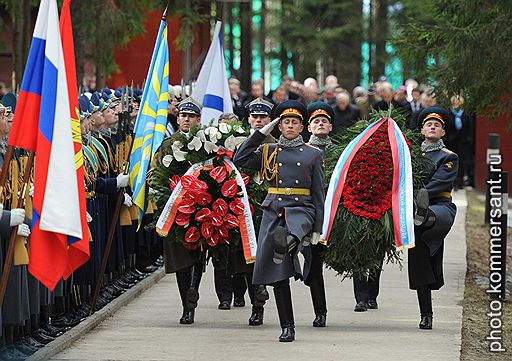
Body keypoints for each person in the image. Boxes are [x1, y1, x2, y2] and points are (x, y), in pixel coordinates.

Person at [233, 100, 325, 342]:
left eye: (295, 122)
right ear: (279, 125)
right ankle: (288, 327)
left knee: (292, 233)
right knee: (278, 272)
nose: (290, 126)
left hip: (300, 209)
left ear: (302, 126)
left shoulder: (313, 154)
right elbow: (239, 158)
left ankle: (291, 242)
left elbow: (318, 195)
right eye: (285, 122)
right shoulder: (268, 151)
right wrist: (260, 133)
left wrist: (318, 228)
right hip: (274, 210)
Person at [149, 97, 206, 325]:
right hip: (175, 209)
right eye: (183, 115)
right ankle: (187, 305)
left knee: (197, 256)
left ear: (198, 120)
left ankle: (193, 290)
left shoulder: (205, 143)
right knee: (181, 258)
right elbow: (155, 172)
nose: (186, 119)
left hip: (202, 208)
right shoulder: (167, 145)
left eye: (191, 116)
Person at [409, 106, 458, 330]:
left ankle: (423, 214)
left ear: (443, 133)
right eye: (429, 124)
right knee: (422, 261)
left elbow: (440, 184)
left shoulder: (449, 157)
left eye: (437, 125)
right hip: (412, 211)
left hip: (439, 207)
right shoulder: (411, 156)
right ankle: (426, 314)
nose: (433, 127)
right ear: (421, 130)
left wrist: (419, 197)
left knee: (428, 216)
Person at [305, 102, 333, 327]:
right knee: (313, 265)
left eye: (324, 121)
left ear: (330, 127)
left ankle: (365, 298)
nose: (320, 124)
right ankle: (319, 311)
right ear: (309, 127)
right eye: (316, 121)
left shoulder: (340, 152)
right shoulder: (303, 151)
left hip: (334, 213)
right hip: (310, 213)